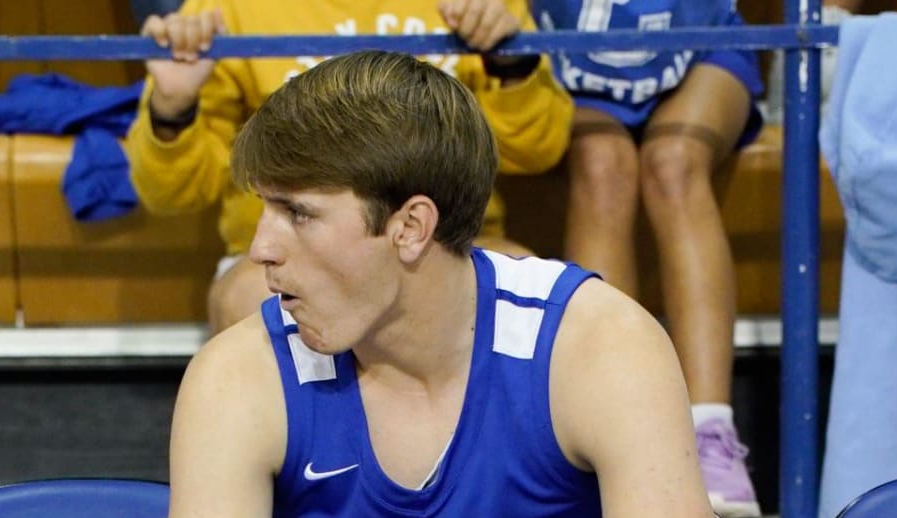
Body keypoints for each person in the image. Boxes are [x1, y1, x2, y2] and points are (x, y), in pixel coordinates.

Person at [153, 50, 734, 518]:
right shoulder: (237, 378)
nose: (260, 248)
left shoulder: (599, 350)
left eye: (298, 213)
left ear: (411, 226)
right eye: (263, 209)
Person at [127, 0, 572, 334]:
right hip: (295, 251)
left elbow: (537, 149)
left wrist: (510, 63)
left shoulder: (485, 5)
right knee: (247, 299)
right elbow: (170, 193)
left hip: (448, 243)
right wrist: (174, 106)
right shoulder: (226, 8)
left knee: (524, 284)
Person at [530, 0, 764, 518]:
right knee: (603, 162)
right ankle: (611, 426)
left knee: (675, 162)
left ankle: (711, 433)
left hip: (696, 46)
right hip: (563, 55)